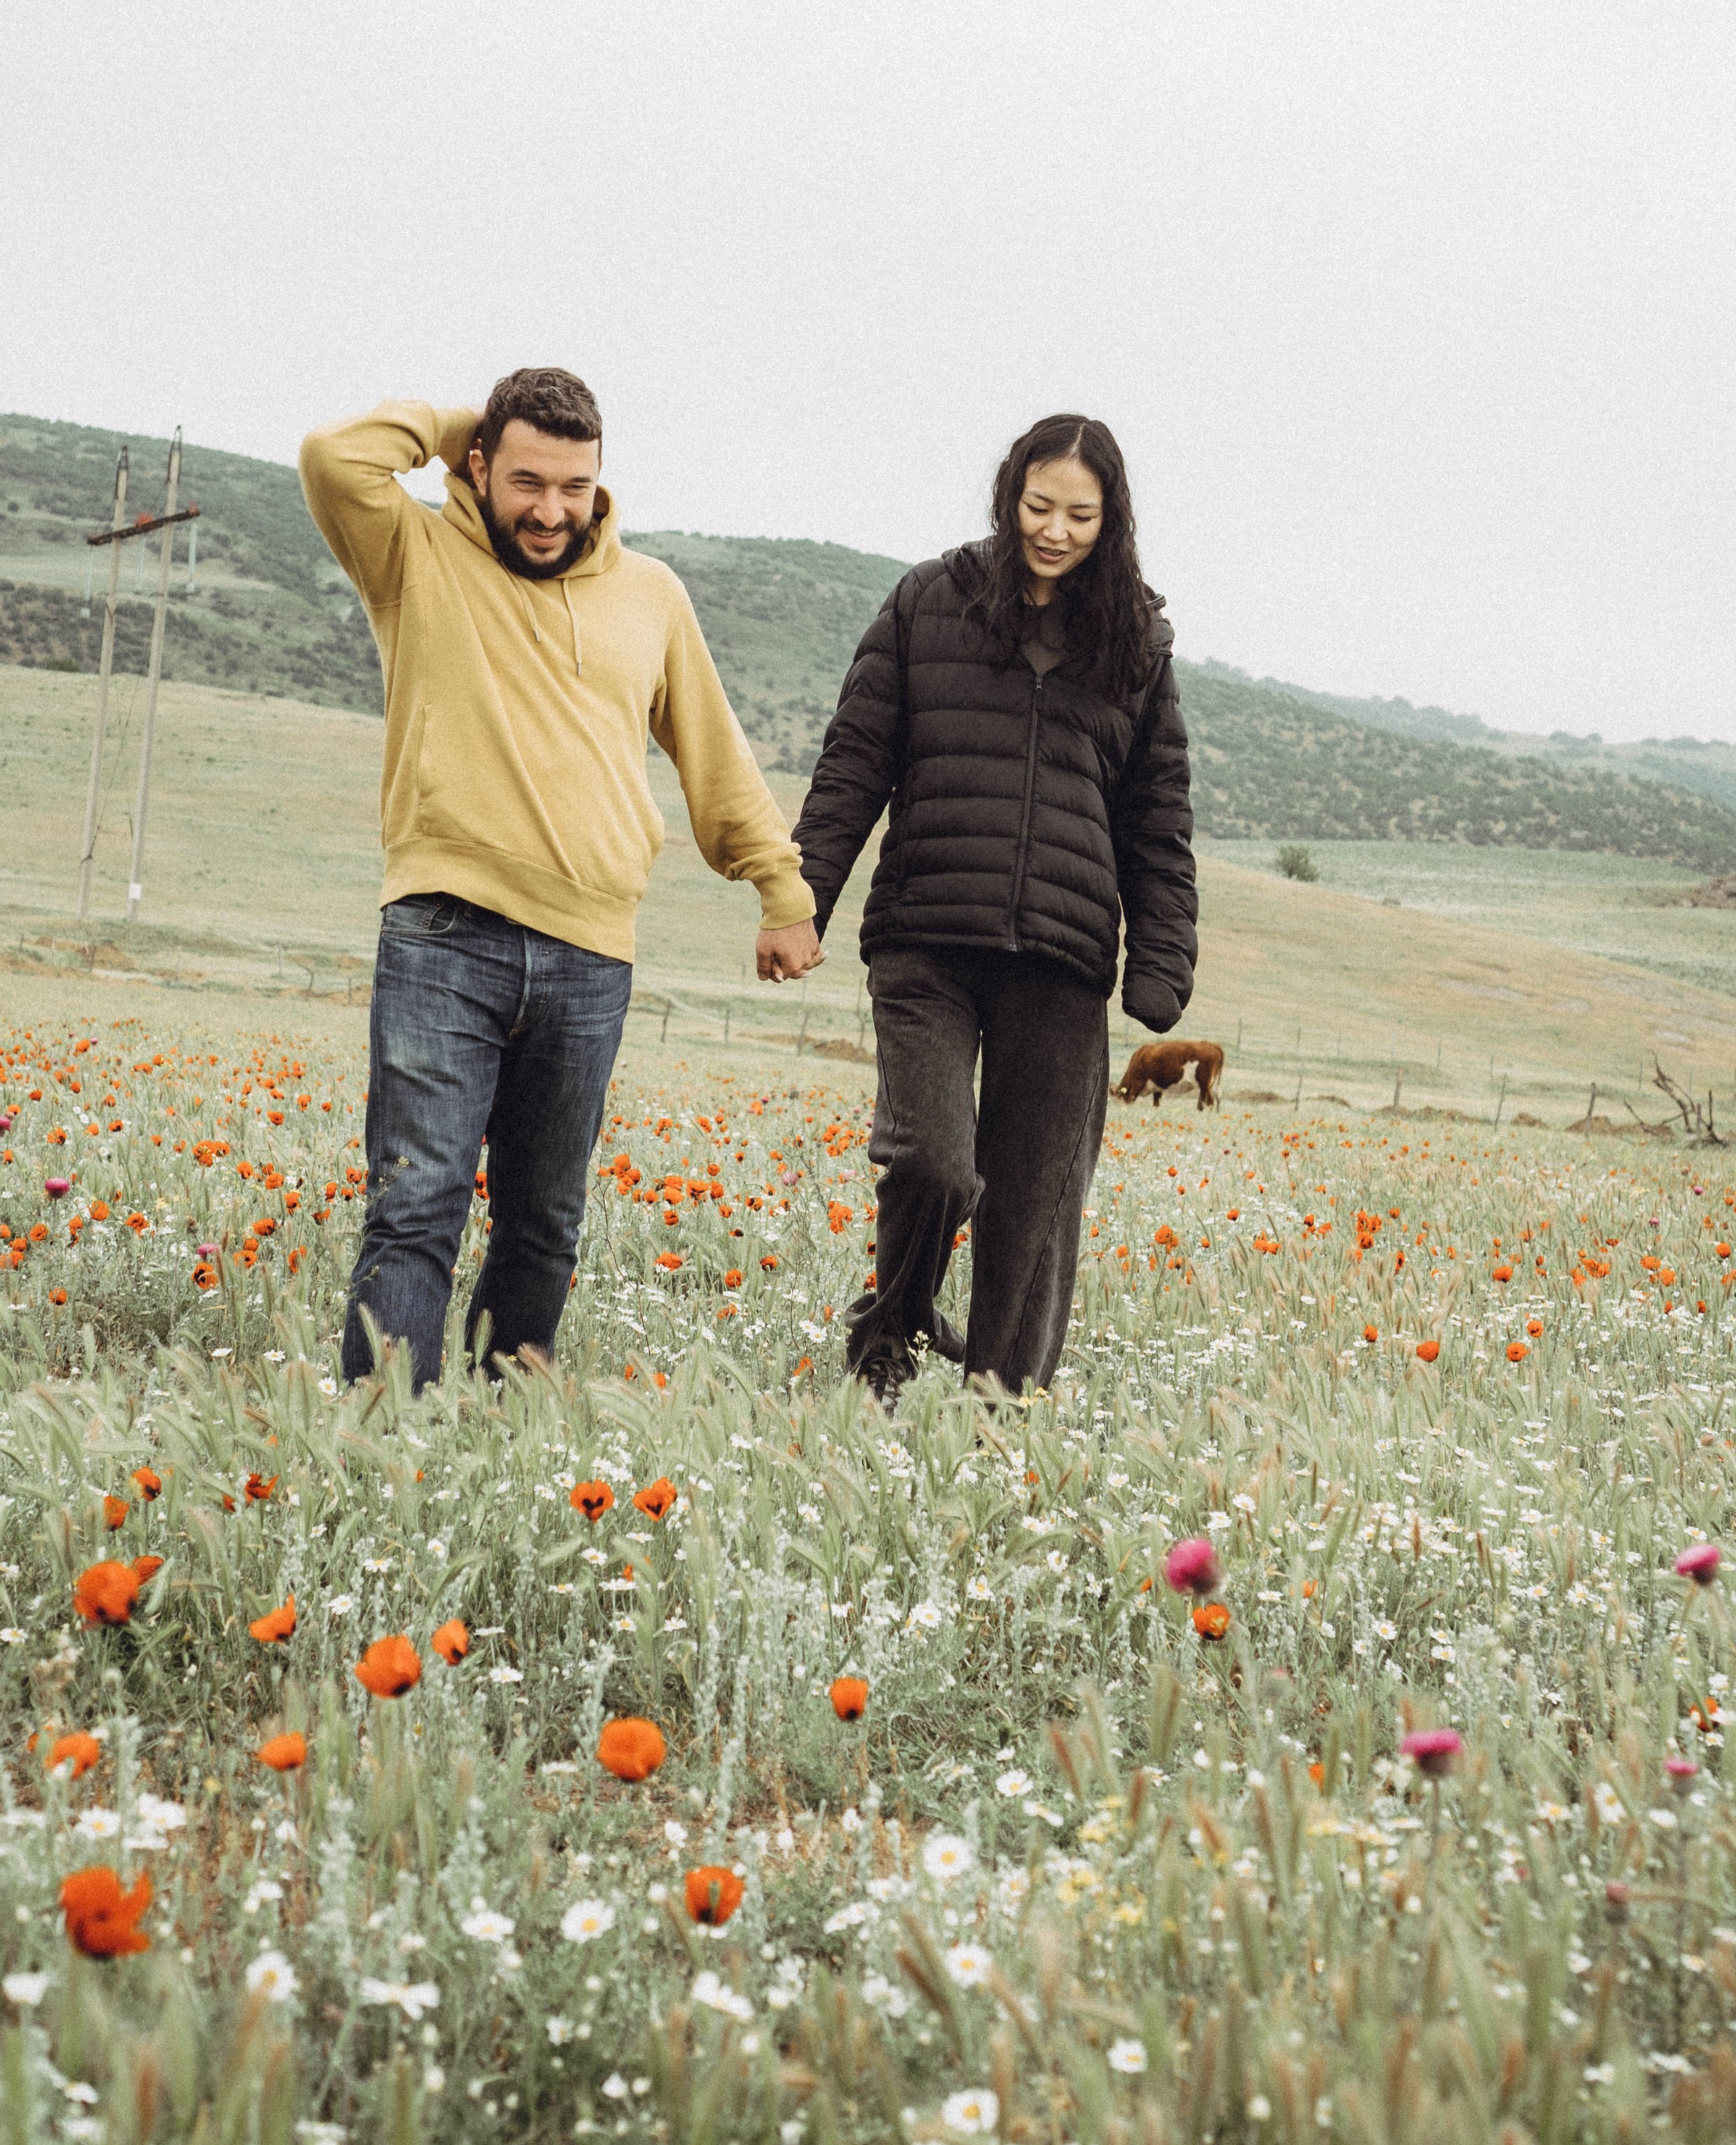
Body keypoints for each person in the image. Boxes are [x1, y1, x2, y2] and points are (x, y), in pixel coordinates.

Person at [298, 370, 821, 1391]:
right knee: (417, 1209)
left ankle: (497, 1448)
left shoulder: (651, 594)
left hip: (592, 955)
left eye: (575, 487)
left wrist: (780, 884)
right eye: (526, 481)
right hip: (445, 931)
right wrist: (463, 428)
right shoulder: (414, 553)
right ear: (479, 467)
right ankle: (381, 1454)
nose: (550, 511)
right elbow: (335, 457)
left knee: (544, 1223)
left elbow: (712, 752)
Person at [792, 412, 1197, 1404]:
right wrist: (802, 899)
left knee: (1037, 1206)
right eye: (1040, 506)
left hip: (1060, 955)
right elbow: (854, 763)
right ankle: (888, 1335)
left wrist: (1161, 962)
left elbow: (1158, 816)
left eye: (1081, 516)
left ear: (1113, 521)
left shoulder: (1134, 639)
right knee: (933, 1161)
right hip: (928, 935)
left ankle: (999, 1405)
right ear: (1009, 496)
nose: (1056, 530)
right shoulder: (930, 602)